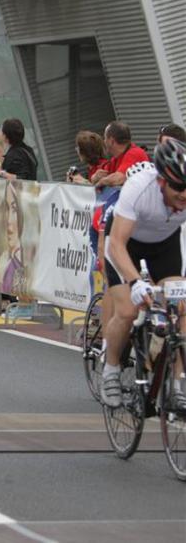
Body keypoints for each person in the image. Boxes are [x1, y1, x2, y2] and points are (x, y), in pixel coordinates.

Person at [99, 139, 186, 410]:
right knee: (127, 310)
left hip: (165, 245)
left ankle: (177, 385)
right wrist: (135, 282)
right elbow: (116, 244)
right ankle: (111, 369)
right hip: (125, 244)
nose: (184, 194)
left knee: (182, 310)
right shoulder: (139, 189)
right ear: (161, 182)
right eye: (178, 187)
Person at [90, 121, 148, 188]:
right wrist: (95, 177)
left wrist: (101, 182)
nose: (104, 141)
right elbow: (102, 173)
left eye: (105, 138)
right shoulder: (116, 159)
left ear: (111, 141)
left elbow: (119, 178)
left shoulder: (135, 153)